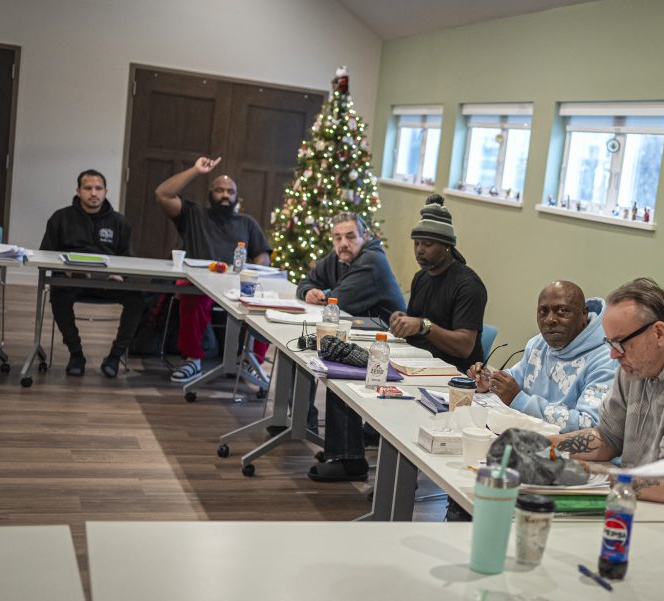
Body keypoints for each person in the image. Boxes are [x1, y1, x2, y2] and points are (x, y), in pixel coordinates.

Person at [549, 277, 664, 509]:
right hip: (646, 504)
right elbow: (608, 438)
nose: (613, 355)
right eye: (610, 344)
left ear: (659, 333)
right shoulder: (634, 367)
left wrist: (583, 473)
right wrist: (545, 446)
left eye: (620, 343)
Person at [295, 212, 406, 482]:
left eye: (350, 237)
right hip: (363, 337)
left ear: (364, 237)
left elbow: (339, 300)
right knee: (322, 353)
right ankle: (335, 445)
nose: (343, 243)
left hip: (390, 344)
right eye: (337, 237)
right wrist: (308, 291)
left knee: (339, 369)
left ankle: (349, 459)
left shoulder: (371, 261)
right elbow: (308, 282)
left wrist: (325, 295)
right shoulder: (339, 257)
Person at [154, 156, 272, 382]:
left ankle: (251, 361)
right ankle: (193, 360)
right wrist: (196, 170)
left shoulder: (247, 223)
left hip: (238, 285)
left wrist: (253, 271)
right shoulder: (194, 214)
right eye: (219, 190)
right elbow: (163, 194)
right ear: (210, 194)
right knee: (190, 295)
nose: (225, 195)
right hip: (201, 283)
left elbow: (262, 255)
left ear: (237, 197)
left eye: (230, 191)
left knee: (264, 304)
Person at [467, 280, 616, 431]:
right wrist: (489, 382)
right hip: (524, 435)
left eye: (562, 310)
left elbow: (589, 425)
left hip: (564, 450)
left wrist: (521, 401)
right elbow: (516, 378)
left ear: (583, 314)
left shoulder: (606, 359)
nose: (550, 319)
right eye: (543, 311)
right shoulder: (538, 343)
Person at [40, 169, 146, 378]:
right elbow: (45, 255)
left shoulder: (120, 222)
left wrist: (120, 274)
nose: (93, 193)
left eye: (98, 188)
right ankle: (76, 354)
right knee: (58, 293)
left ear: (106, 191)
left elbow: (127, 258)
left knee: (137, 298)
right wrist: (66, 271)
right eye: (88, 188)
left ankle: (115, 357)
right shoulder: (60, 218)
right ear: (78, 191)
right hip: (73, 281)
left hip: (109, 282)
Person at [388, 194, 486, 373]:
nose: (419, 250)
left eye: (427, 244)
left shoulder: (468, 286)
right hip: (417, 363)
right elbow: (417, 322)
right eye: (416, 243)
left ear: (447, 246)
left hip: (452, 373)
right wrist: (403, 321)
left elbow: (464, 347)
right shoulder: (421, 277)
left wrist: (422, 325)